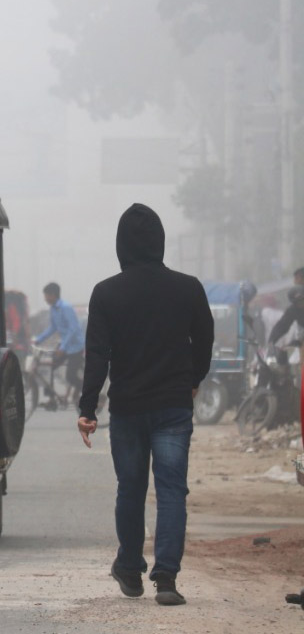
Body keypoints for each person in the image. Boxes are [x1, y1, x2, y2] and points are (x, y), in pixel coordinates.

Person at [77, 204, 214, 607]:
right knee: (172, 491)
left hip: (128, 408)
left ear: (121, 245)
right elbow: (203, 340)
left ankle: (131, 568)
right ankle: (166, 578)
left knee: (131, 488)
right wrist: (194, 380)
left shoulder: (106, 293)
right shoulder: (189, 288)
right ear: (160, 241)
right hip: (173, 405)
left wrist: (88, 409)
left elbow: (97, 356)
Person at [33, 282, 86, 407]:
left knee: (70, 376)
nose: (45, 299)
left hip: (75, 347)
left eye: (46, 295)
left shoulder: (66, 307)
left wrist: (63, 347)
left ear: (53, 295)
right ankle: (52, 399)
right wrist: (38, 339)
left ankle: (89, 392)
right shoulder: (53, 309)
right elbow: (53, 328)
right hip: (65, 346)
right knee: (50, 367)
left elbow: (73, 329)